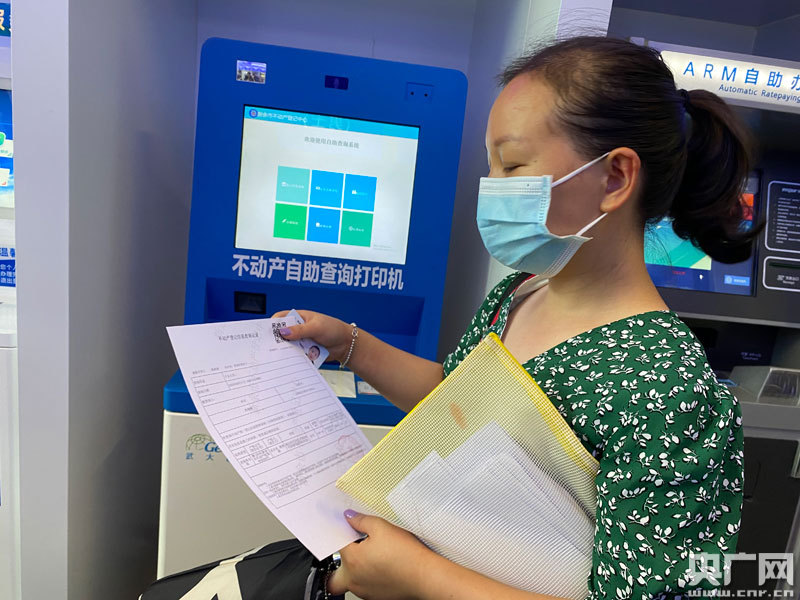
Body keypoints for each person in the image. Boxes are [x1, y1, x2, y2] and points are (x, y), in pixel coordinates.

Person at [275, 36, 752, 600]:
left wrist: (418, 576)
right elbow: (456, 405)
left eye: (515, 164)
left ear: (615, 177)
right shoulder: (521, 293)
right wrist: (348, 344)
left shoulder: (668, 389)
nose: (493, 189)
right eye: (491, 165)